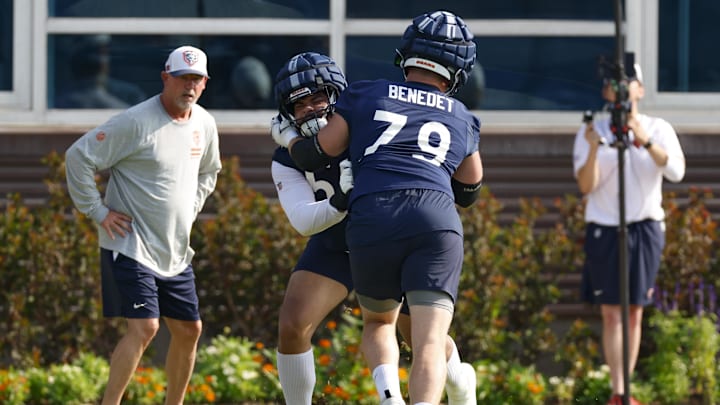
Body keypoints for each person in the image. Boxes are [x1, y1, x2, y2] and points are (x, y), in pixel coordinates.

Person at [271, 10, 483, 405]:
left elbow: (319, 152)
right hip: (342, 237)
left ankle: (459, 383)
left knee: (412, 334)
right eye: (299, 106)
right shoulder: (287, 154)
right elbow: (303, 220)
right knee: (293, 321)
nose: (311, 110)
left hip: (381, 229)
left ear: (337, 94)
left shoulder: (365, 107)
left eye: (319, 98)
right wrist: (342, 198)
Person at [64, 45, 221, 405]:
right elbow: (78, 157)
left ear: (205, 83)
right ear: (166, 78)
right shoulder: (135, 122)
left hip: (176, 249)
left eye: (196, 79)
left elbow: (209, 172)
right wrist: (98, 211)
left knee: (189, 330)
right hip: (130, 244)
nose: (189, 86)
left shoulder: (205, 124)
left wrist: (190, 207)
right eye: (182, 78)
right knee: (146, 327)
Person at [572, 58, 686, 405]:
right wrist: (594, 147)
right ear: (606, 91)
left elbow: (676, 172)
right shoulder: (595, 130)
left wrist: (645, 140)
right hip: (604, 226)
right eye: (613, 85)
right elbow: (585, 185)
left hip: (644, 226)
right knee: (610, 310)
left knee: (635, 308)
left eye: (627, 84)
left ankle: (628, 389)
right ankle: (617, 392)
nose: (620, 91)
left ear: (640, 89)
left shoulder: (658, 126)